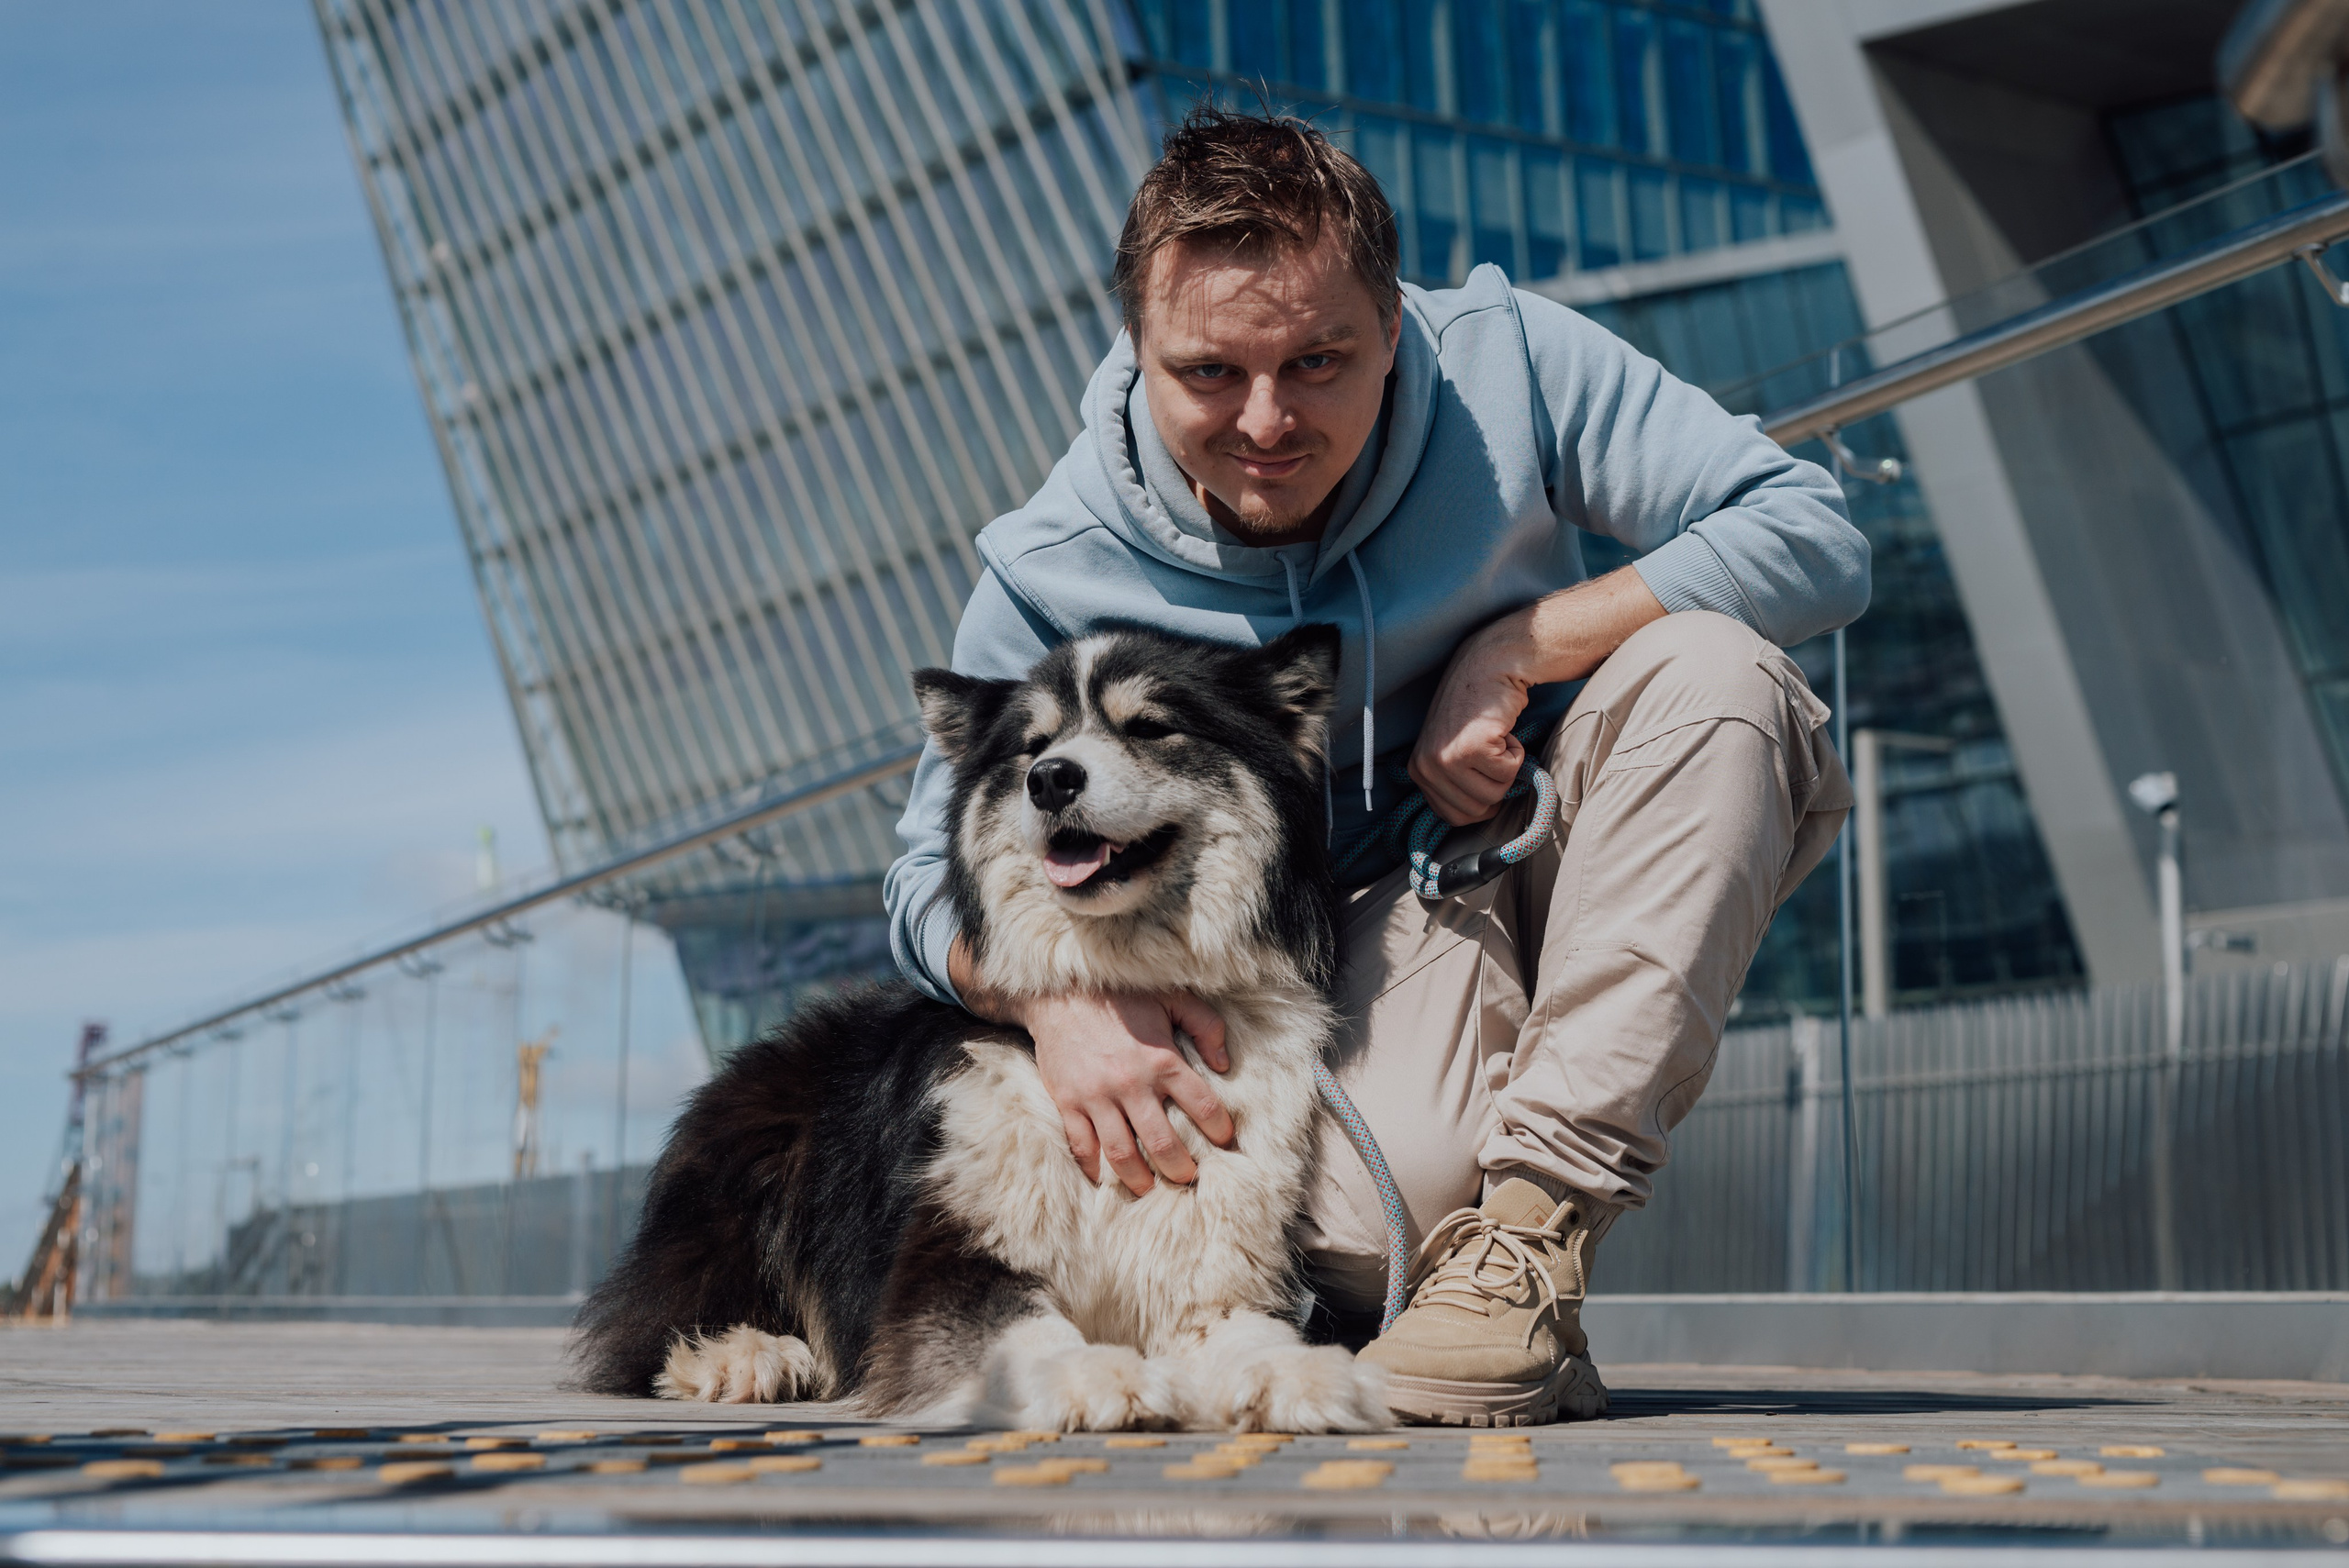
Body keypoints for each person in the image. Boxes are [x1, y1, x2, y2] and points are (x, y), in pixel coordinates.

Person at [884, 105, 1862, 1426]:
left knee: (1718, 674)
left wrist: (1524, 641)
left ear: (1395, 323)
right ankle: (1425, 1265)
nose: (1268, 420)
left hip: (1559, 831)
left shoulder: (1509, 364)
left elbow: (1814, 532)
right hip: (1351, 948)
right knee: (1358, 1212)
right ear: (1138, 351)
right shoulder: (1049, 565)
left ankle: (1529, 1241)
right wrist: (1053, 1010)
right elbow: (915, 875)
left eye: (1320, 361)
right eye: (1211, 374)